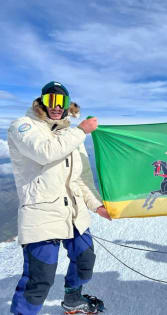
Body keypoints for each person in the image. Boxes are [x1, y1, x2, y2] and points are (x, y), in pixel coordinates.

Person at [8, 81, 111, 315]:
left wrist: (97, 206)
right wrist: (81, 130)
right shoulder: (23, 126)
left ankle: (73, 299)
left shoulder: (70, 134)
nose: (56, 106)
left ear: (68, 105)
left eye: (61, 101)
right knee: (39, 278)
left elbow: (82, 177)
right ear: (42, 102)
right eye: (50, 100)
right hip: (41, 215)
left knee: (85, 260)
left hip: (74, 214)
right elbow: (45, 152)